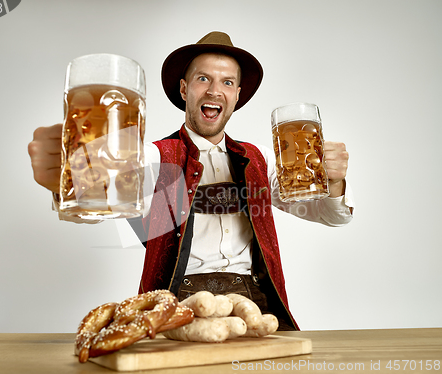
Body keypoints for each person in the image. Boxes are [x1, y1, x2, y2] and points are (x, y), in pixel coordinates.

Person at [28, 32, 354, 331]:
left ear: (237, 96)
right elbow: (98, 206)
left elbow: (331, 215)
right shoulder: (156, 158)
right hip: (180, 303)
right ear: (185, 89)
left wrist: (335, 181)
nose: (214, 90)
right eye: (203, 79)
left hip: (258, 302)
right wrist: (68, 179)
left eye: (227, 82)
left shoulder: (263, 160)